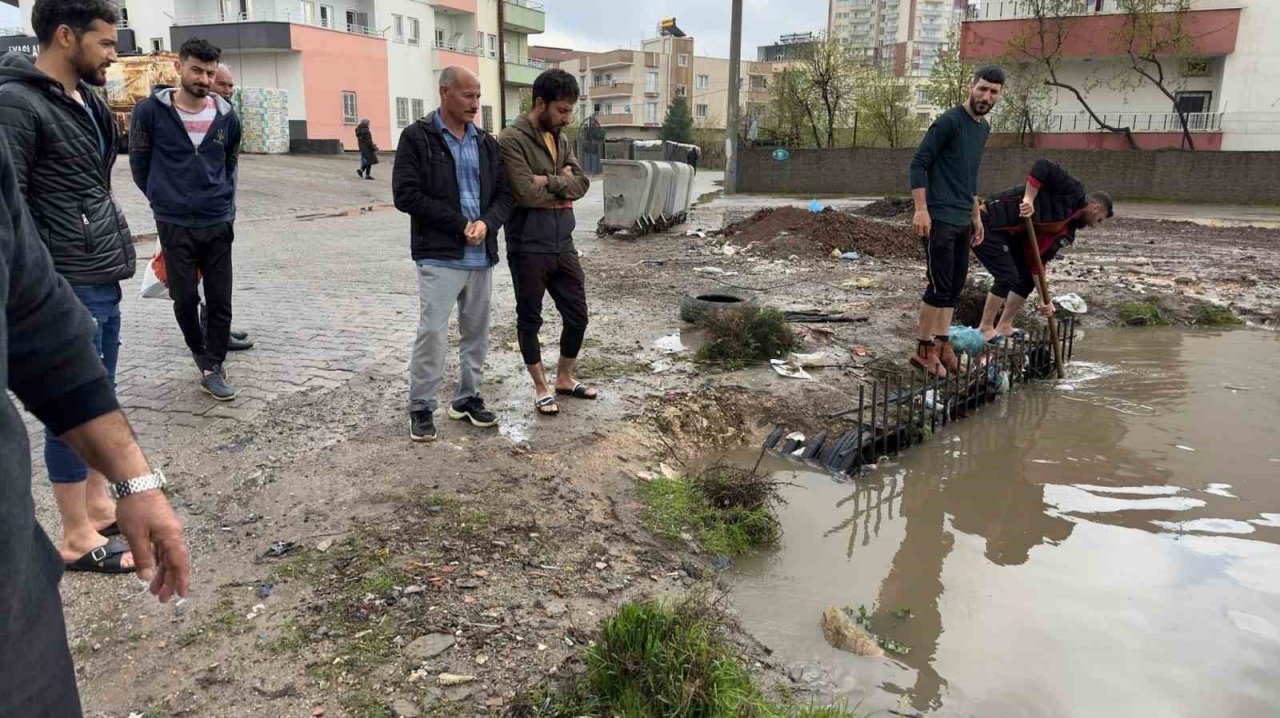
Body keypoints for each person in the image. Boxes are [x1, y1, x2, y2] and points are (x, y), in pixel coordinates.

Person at [0, 131, 190, 717]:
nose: (112, 54)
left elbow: (33, 318)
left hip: (12, 594)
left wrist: (134, 480)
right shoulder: (20, 107)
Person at [0, 0, 138, 574]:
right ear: (65, 36)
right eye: (105, 43)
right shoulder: (16, 104)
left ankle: (100, 503)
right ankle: (77, 535)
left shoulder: (88, 100)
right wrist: (43, 283)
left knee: (101, 386)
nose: (113, 54)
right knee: (71, 402)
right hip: (60, 280)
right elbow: (12, 208)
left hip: (101, 267)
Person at [393, 66, 512, 442]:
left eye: (478, 97)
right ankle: (421, 406)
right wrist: (460, 223)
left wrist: (488, 225)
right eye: (468, 96)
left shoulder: (486, 143)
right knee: (433, 331)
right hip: (440, 255)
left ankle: (467, 399)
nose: (475, 104)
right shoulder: (417, 138)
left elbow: (505, 196)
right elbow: (406, 195)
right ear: (446, 92)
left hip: (481, 257)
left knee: (477, 331)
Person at [130, 37, 243, 401]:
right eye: (197, 70)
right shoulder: (151, 112)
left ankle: (213, 366)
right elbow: (139, 164)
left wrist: (223, 200)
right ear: (179, 68)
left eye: (210, 73)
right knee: (184, 298)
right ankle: (199, 351)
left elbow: (229, 163)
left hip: (216, 219)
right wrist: (161, 198)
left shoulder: (227, 116)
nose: (204, 79)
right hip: (174, 221)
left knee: (221, 299)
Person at [498, 69, 593, 417]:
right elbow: (523, 192)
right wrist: (560, 183)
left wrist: (547, 182)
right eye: (562, 110)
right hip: (528, 246)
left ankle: (564, 379)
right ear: (541, 103)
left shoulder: (561, 139)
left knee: (578, 316)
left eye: (570, 111)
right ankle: (540, 388)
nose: (566, 118)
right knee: (530, 319)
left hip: (562, 243)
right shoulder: (511, 139)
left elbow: (582, 183)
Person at [908, 64, 1004, 378]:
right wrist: (921, 209)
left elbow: (968, 176)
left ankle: (943, 342)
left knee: (954, 287)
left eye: (993, 92)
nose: (986, 96)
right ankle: (923, 350)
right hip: (939, 218)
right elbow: (919, 163)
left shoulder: (982, 128)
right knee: (938, 286)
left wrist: (976, 215)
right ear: (971, 87)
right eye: (983, 88)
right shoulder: (949, 122)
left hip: (963, 218)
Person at [974, 159, 1113, 342]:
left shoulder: (1067, 234)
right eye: (1099, 220)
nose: (1095, 225)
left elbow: (1038, 263)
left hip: (1011, 237)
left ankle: (1004, 325)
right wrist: (1029, 199)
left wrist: (1044, 299)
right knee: (1007, 276)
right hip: (989, 222)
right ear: (1096, 208)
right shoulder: (1073, 190)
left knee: (1025, 279)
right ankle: (985, 328)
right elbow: (1043, 166)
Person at [204, 61, 252, 351]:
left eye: (231, 85)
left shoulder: (227, 115)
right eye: (222, 84)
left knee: (218, 279)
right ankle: (210, 335)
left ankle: (218, 328)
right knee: (205, 279)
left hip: (222, 209)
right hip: (202, 214)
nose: (228, 90)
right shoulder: (205, 117)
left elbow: (230, 160)